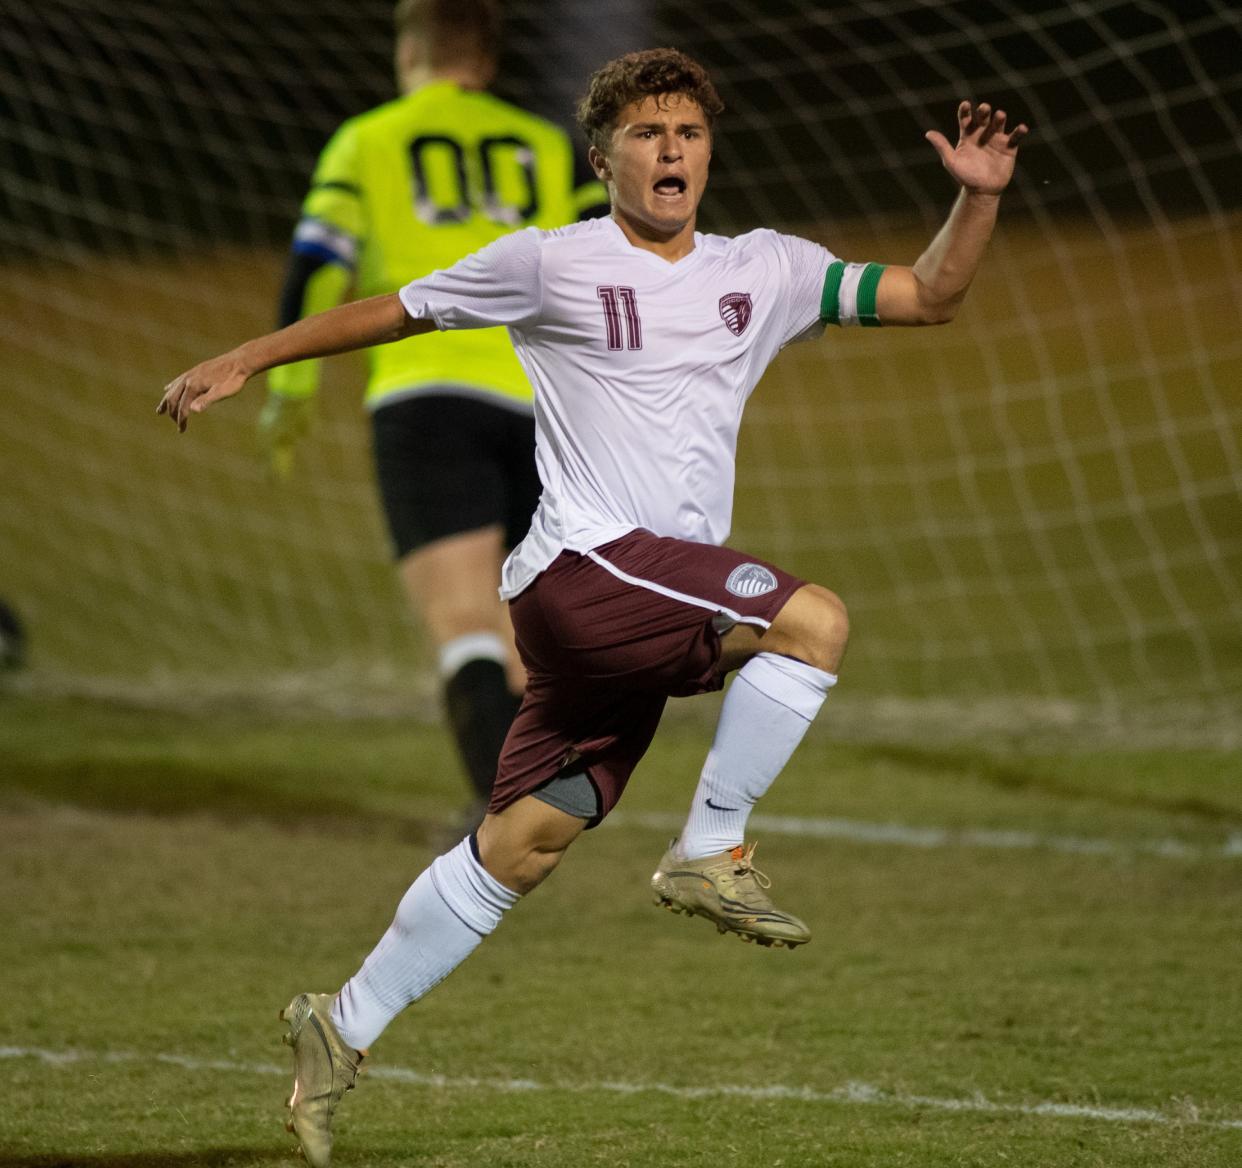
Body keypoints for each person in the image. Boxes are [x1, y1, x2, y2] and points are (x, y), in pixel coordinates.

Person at [158, 47, 1027, 1168]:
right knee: (815, 621)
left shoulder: (763, 270)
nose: (672, 150)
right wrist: (249, 355)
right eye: (647, 133)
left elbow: (930, 294)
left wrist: (978, 197)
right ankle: (711, 846)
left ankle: (342, 1022)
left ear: (710, 153)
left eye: (689, 133)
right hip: (593, 566)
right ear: (604, 156)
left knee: (525, 841)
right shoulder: (547, 263)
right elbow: (396, 309)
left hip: (627, 603)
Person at [259, 0, 604, 827]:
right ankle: (544, 794)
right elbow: (606, 256)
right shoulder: (545, 143)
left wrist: (289, 391)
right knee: (528, 623)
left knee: (461, 622)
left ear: (407, 53)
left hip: (424, 396)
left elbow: (315, 267)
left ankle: (506, 811)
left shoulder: (367, 140)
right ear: (484, 62)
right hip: (538, 401)